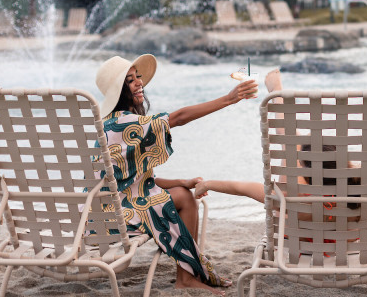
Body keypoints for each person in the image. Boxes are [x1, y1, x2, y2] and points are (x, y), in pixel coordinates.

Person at [95, 54, 257, 294]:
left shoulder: (108, 123)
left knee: (182, 191)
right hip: (115, 216)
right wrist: (228, 99)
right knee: (184, 197)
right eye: (130, 80)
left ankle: (189, 274)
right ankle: (187, 278)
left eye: (138, 77)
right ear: (118, 90)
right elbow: (178, 118)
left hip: (100, 211)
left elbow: (135, 183)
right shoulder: (125, 123)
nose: (139, 82)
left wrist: (182, 181)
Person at [193, 65, 367, 205]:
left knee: (287, 161)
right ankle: (278, 95)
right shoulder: (366, 186)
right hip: (356, 246)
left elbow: (241, 187)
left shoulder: (292, 195)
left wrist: (207, 184)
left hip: (304, 248)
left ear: (305, 170)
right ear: (344, 162)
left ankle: (278, 95)